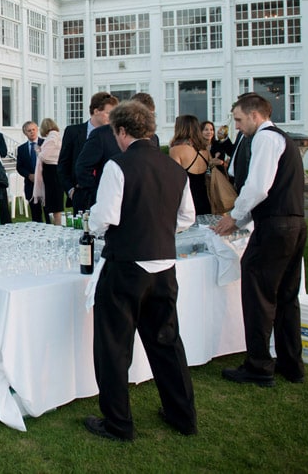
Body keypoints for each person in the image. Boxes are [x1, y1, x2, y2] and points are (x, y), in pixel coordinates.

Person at [84, 100, 197, 441]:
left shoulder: (118, 166)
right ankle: (183, 416)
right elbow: (186, 218)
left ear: (121, 131)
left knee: (114, 347)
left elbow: (104, 219)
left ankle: (118, 423)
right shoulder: (174, 168)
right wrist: (158, 231)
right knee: (167, 342)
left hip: (126, 268)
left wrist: (93, 219)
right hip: (164, 266)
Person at [213, 93, 307, 387]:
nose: (237, 127)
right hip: (294, 224)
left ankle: (259, 366)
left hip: (275, 227)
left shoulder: (266, 139)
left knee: (259, 296)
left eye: (239, 120)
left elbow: (257, 187)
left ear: (255, 115)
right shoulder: (283, 139)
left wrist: (235, 217)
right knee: (286, 297)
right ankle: (291, 364)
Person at [59, 92, 114, 213]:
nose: (111, 118)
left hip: (107, 195)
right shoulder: (73, 132)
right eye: (108, 113)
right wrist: (70, 190)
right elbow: (63, 164)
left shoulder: (114, 135)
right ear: (96, 111)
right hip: (81, 195)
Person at [168, 115, 213, 216]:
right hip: (205, 199)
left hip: (186, 201)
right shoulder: (204, 150)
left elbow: (175, 180)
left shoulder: (176, 150)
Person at [32, 118, 64, 225]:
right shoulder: (56, 136)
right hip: (53, 171)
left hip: (52, 171)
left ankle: (57, 226)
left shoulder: (52, 138)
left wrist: (38, 151)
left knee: (55, 204)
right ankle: (56, 225)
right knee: (54, 204)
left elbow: (45, 156)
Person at [16, 121, 49, 224]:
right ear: (25, 133)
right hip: (31, 185)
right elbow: (19, 167)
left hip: (46, 184)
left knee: (48, 213)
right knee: (35, 215)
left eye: (33, 129)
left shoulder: (46, 144)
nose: (32, 132)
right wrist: (28, 175)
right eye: (29, 130)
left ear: (37, 129)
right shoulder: (21, 149)